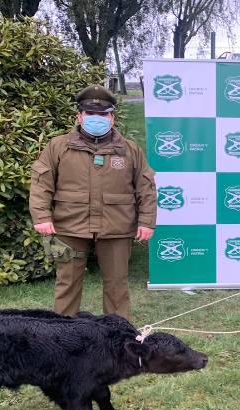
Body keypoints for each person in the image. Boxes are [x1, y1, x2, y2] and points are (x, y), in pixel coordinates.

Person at [29, 85, 157, 319]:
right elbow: (41, 183)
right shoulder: (58, 146)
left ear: (112, 118)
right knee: (67, 285)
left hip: (116, 228)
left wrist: (146, 221)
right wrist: (42, 216)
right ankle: (62, 339)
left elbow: (146, 186)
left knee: (117, 287)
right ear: (79, 116)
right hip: (69, 226)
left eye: (102, 114)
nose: (96, 118)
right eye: (90, 114)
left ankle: (120, 340)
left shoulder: (129, 150)